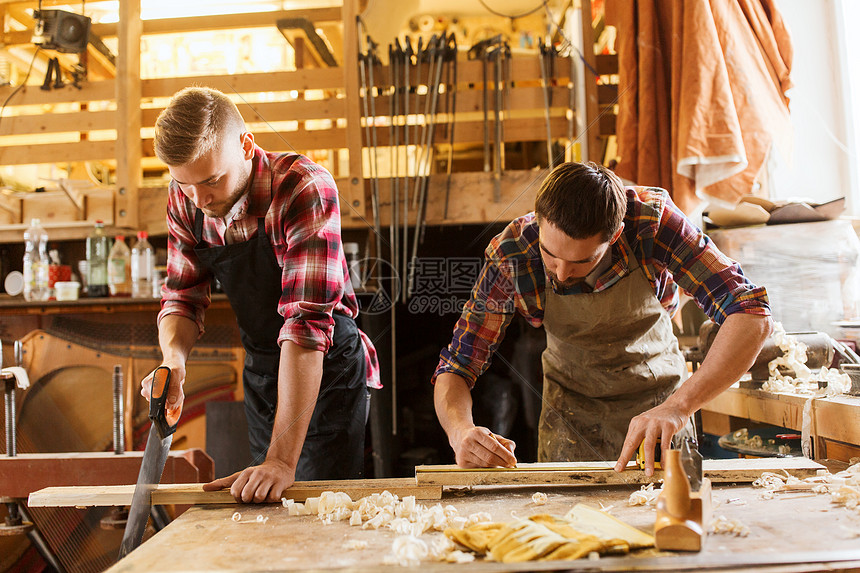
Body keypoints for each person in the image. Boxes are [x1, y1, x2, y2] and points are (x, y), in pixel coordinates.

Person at [433, 162, 772, 475]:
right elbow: (458, 365)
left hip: (660, 409)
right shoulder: (513, 252)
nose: (562, 274)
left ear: (614, 235)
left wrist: (680, 406)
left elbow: (750, 311)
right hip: (570, 418)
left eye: (581, 262)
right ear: (538, 220)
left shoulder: (652, 223)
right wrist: (460, 432)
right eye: (550, 256)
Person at [141, 87, 380, 502]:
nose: (200, 199)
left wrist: (281, 461)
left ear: (246, 146)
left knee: (321, 511)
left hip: (325, 368)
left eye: (212, 180)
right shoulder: (188, 197)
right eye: (184, 183)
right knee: (267, 504)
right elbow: (182, 297)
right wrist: (173, 362)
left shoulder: (303, 187)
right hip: (264, 371)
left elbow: (305, 326)